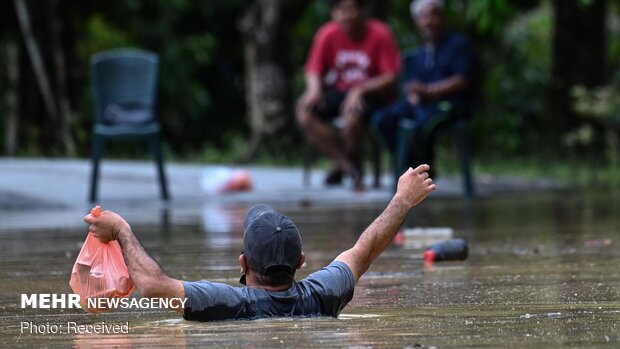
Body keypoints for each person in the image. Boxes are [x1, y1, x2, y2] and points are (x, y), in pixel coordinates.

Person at [84, 164, 436, 322]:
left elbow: (153, 286)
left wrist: (120, 229)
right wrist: (403, 200)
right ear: (301, 262)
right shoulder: (323, 295)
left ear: (242, 264)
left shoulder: (230, 303)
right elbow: (366, 248)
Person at [296, 0, 401, 190]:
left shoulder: (380, 33)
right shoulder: (327, 33)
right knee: (304, 111)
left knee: (352, 117)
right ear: (333, 13)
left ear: (362, 10)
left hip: (373, 94)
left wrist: (360, 90)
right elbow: (313, 68)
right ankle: (347, 165)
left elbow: (390, 76)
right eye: (341, 10)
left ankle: (344, 167)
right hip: (340, 91)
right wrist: (314, 89)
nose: (346, 15)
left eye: (351, 9)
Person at [372, 0, 474, 170]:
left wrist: (428, 90)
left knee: (423, 123)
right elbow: (413, 83)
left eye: (433, 15)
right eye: (423, 17)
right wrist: (413, 94)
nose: (428, 21)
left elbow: (462, 81)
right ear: (417, 22)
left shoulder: (457, 45)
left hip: (449, 106)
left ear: (442, 18)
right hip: (422, 105)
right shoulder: (421, 52)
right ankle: (408, 165)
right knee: (382, 119)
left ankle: (424, 167)